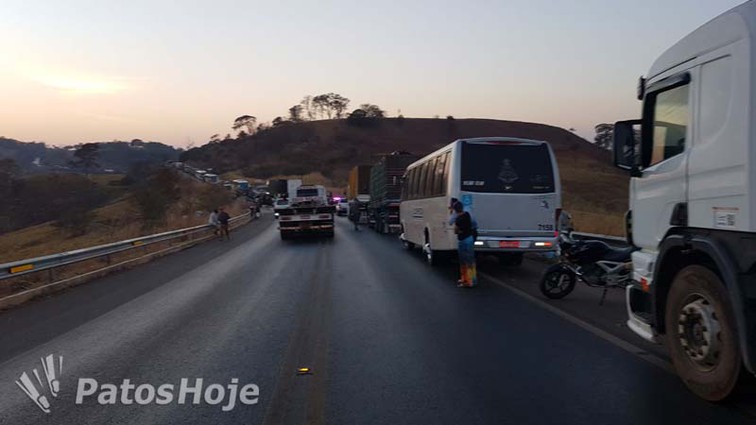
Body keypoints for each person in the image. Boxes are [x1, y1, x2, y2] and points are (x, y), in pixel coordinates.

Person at [451, 201, 477, 288]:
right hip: (469, 238)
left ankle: (465, 280)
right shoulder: (467, 215)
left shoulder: (458, 219)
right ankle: (473, 279)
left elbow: (455, 231)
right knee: (470, 260)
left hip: (462, 240)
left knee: (463, 261)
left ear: (455, 210)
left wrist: (458, 229)